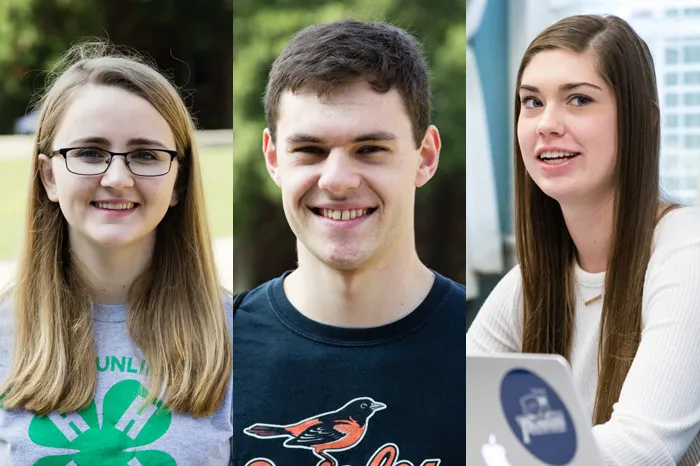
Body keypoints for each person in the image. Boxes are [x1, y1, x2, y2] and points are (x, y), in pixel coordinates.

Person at [466, 14, 700, 466]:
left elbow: (640, 450)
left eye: (578, 99)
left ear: (642, 120)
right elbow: (450, 407)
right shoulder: (531, 281)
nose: (546, 124)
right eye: (531, 102)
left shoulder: (687, 252)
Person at [232, 20, 466, 465]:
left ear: (426, 157)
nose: (337, 180)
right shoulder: (211, 351)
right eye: (310, 150)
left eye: (370, 149)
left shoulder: (486, 344)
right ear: (273, 159)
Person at [0, 41, 234, 464]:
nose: (117, 177)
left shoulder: (239, 336)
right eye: (90, 153)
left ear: (178, 181)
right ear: (48, 176)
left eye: (145, 155)